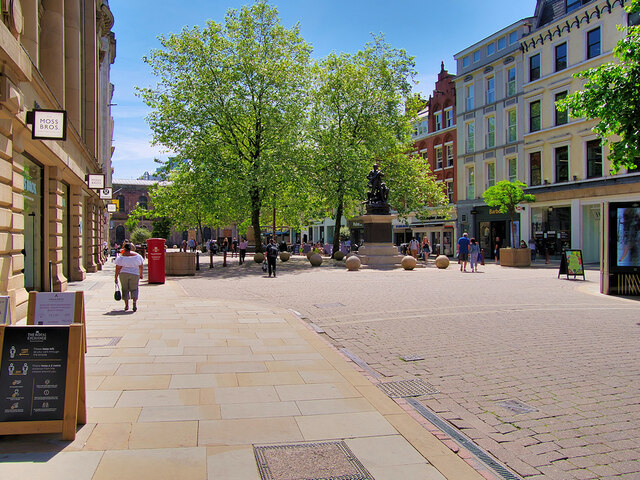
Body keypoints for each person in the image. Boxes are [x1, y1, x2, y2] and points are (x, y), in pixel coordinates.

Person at [114, 243, 144, 312]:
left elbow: (118, 268)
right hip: (135, 274)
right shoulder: (137, 256)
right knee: (135, 289)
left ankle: (126, 305)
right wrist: (141, 274)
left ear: (124, 248)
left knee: (125, 289)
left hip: (123, 274)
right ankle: (134, 303)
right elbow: (141, 266)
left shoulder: (121, 257)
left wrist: (116, 277)